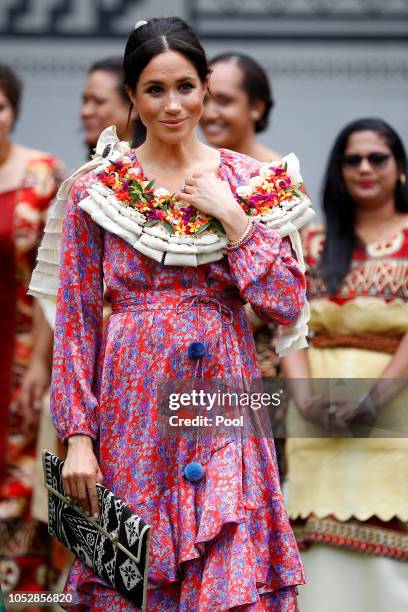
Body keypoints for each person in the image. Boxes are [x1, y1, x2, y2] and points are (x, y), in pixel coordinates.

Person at [40, 17, 308, 610]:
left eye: (185, 86)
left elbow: (287, 303)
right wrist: (79, 438)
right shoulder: (99, 189)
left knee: (228, 559)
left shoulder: (250, 181)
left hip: (224, 402)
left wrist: (233, 220)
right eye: (154, 90)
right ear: (131, 96)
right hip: (133, 411)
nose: (172, 104)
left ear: (206, 86)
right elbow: (77, 321)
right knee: (137, 573)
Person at [282, 118, 408, 611]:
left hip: (395, 412)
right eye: (352, 159)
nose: (364, 168)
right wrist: (307, 398)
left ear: (399, 168)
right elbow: (291, 326)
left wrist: (376, 398)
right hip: (315, 417)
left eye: (377, 158)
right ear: (338, 170)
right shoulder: (312, 241)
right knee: (317, 551)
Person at [0, 64, 64, 595]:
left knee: (24, 480)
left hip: (19, 347)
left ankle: (27, 595)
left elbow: (54, 281)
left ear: (13, 111)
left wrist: (40, 361)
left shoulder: (44, 175)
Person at [81, 56, 140, 158]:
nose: (85, 111)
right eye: (85, 101)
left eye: (99, 102)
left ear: (134, 107)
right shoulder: (88, 169)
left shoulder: (150, 170)